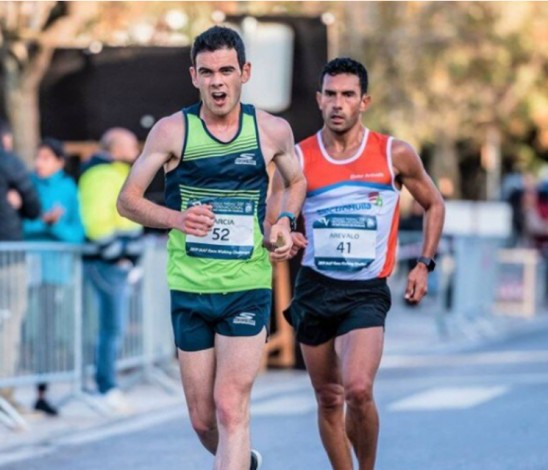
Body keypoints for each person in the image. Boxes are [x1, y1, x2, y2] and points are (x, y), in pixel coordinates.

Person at [117, 26, 306, 470]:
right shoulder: (171, 131)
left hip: (247, 284)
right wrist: (178, 219)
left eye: (226, 71)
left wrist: (283, 220)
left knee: (229, 407)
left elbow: (296, 182)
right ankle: (245, 462)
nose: (217, 81)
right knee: (204, 420)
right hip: (190, 287)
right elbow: (127, 200)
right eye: (207, 72)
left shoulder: (271, 130)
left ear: (245, 72)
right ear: (194, 76)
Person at [270, 58, 445, 470]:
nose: (338, 103)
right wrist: (283, 235)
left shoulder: (393, 153)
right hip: (315, 286)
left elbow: (434, 204)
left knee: (359, 390)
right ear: (318, 99)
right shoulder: (297, 157)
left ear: (363, 101)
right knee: (328, 398)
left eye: (348, 95)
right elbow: (272, 217)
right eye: (330, 94)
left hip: (365, 290)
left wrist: (424, 263)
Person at [79, 127, 143, 414]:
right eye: (130, 144)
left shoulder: (113, 172)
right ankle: (106, 386)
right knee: (112, 326)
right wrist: (118, 256)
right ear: (115, 147)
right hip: (108, 261)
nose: (136, 150)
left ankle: (107, 384)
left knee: (113, 326)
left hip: (115, 259)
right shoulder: (101, 175)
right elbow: (96, 221)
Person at [23, 138, 85, 416]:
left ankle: (41, 390)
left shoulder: (68, 188)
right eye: (38, 157)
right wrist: (42, 224)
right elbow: (19, 227)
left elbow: (77, 233)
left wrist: (55, 226)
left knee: (46, 333)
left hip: (54, 273)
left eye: (46, 158)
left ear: (59, 162)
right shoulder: (27, 184)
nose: (39, 163)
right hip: (24, 268)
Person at [0, 126, 41, 416]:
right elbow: (33, 205)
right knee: (9, 324)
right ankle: (4, 393)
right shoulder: (8, 161)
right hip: (8, 256)